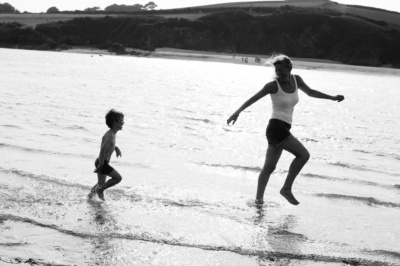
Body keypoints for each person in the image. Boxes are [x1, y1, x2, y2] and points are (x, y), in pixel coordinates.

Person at [227, 54, 344, 205]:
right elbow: (253, 99)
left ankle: (258, 201)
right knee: (303, 155)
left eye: (281, 69)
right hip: (276, 127)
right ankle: (286, 189)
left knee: (269, 167)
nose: (279, 72)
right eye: (276, 69)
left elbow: (310, 92)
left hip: (281, 128)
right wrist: (237, 112)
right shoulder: (273, 85)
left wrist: (332, 97)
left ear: (290, 68)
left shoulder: (297, 80)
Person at [88, 109, 124, 201]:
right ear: (115, 122)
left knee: (100, 183)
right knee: (118, 178)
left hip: (101, 161)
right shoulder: (110, 135)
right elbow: (102, 150)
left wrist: (115, 148)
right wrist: (100, 165)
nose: (123, 122)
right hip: (102, 162)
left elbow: (109, 146)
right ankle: (100, 190)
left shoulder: (112, 134)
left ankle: (90, 197)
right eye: (121, 120)